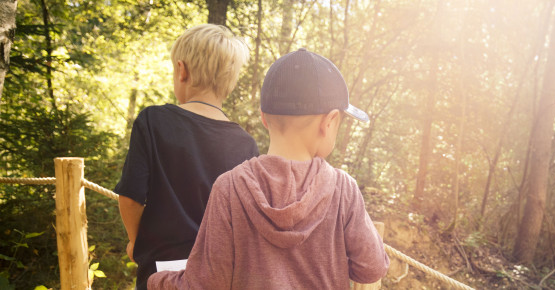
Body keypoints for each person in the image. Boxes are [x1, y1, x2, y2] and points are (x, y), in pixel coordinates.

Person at [148, 48, 390, 289]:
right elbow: (372, 268)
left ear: (264, 117)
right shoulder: (343, 189)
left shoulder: (229, 188)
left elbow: (206, 284)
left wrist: (156, 280)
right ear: (329, 122)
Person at [114, 24, 259, 290]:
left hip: (160, 273)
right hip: (219, 276)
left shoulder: (153, 121)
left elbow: (130, 198)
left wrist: (137, 242)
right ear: (230, 81)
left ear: (182, 71)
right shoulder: (246, 145)